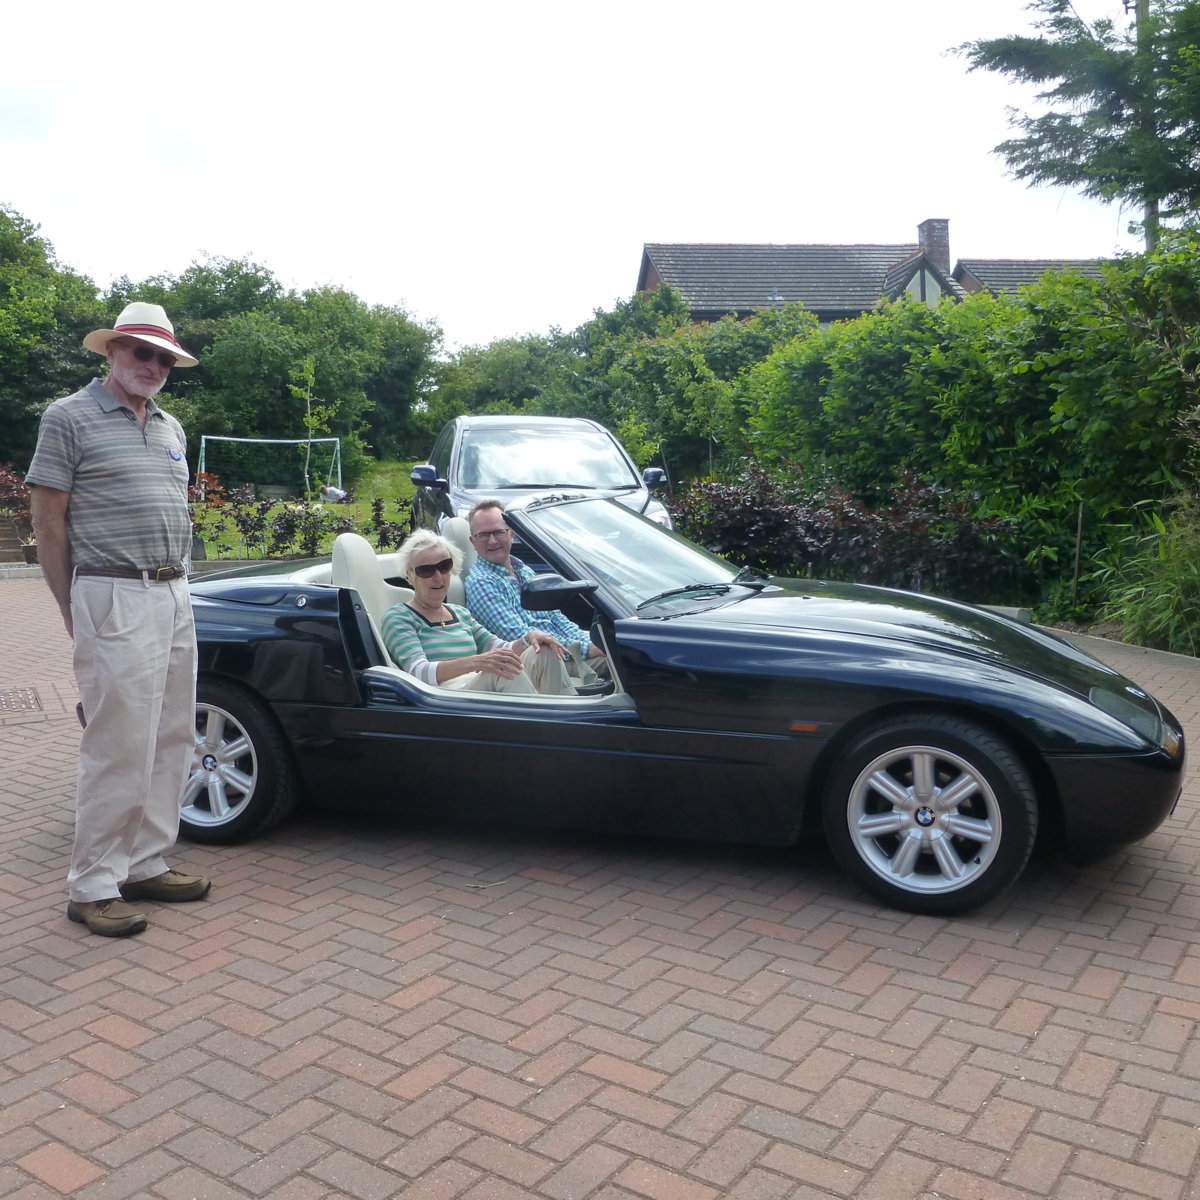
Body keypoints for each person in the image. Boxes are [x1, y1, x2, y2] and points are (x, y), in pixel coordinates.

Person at [26, 302, 211, 938]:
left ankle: (145, 862)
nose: (153, 365)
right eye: (141, 351)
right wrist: (69, 606)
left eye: (164, 358)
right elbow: (48, 522)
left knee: (172, 736)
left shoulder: (169, 426)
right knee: (119, 744)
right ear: (112, 351)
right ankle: (93, 885)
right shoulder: (68, 416)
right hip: (112, 591)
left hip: (174, 591)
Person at [381, 529, 574, 694]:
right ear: (410, 575)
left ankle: (567, 718)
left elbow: (498, 647)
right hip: (443, 700)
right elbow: (417, 672)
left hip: (477, 690)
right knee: (503, 667)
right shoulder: (399, 617)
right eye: (426, 570)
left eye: (444, 566)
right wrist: (477, 662)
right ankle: (540, 723)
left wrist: (529, 638)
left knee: (543, 650)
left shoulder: (459, 613)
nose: (438, 577)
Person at [464, 499, 608, 682]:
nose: (492, 541)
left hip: (563, 651)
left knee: (619, 645)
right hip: (544, 660)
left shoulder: (523, 570)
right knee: (626, 663)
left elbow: (557, 618)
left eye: (499, 532)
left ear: (512, 534)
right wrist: (586, 649)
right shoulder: (481, 583)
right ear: (473, 541)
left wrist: (592, 642)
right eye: (484, 535)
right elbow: (522, 639)